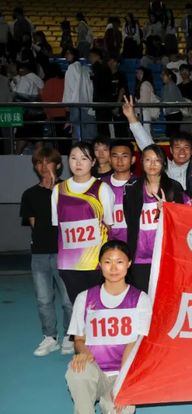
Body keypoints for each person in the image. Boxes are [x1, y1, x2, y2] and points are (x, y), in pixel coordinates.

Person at [65, 240, 152, 414]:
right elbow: (79, 339)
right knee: (76, 371)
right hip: (95, 370)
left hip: (123, 373)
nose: (113, 268)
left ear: (129, 264)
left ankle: (112, 400)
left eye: (119, 262)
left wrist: (123, 384)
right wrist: (83, 353)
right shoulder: (84, 298)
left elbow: (135, 343)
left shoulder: (140, 299)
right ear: (99, 264)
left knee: (124, 409)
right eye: (107, 262)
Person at [21, 147, 74, 356]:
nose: (43, 166)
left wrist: (55, 192)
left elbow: (71, 219)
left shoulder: (69, 190)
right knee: (43, 299)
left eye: (48, 161)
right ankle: (50, 337)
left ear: (58, 165)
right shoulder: (29, 194)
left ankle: (70, 335)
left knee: (68, 300)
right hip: (40, 254)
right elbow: (36, 225)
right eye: (39, 163)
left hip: (66, 254)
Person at [52, 142, 116, 304]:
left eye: (84, 158)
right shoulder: (58, 190)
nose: (78, 163)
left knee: (97, 308)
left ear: (93, 162)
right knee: (78, 308)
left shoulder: (102, 189)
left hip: (95, 264)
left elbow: (109, 225)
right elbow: (57, 226)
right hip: (69, 264)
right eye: (73, 158)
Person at [123, 144, 183, 293]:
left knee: (164, 297)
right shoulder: (131, 188)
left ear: (164, 163)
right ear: (141, 162)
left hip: (166, 255)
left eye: (157, 160)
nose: (152, 164)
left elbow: (181, 223)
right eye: (148, 160)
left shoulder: (175, 187)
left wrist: (169, 211)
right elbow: (129, 219)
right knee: (142, 298)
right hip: (139, 256)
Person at [102, 140, 135, 242]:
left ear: (133, 160)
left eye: (124, 156)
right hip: (108, 246)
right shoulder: (99, 185)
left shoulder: (142, 184)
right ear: (109, 159)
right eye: (115, 156)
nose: (119, 161)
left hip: (136, 246)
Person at [133, 66, 158, 134]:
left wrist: (139, 115)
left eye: (140, 73)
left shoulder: (144, 84)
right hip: (143, 112)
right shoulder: (143, 83)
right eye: (137, 73)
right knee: (145, 132)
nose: (138, 74)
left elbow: (144, 103)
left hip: (144, 113)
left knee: (145, 132)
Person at [161, 68, 184, 136]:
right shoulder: (166, 86)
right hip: (171, 114)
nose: (161, 76)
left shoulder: (171, 86)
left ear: (169, 76)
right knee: (172, 134)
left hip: (174, 114)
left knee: (172, 135)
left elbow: (170, 100)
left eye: (163, 75)